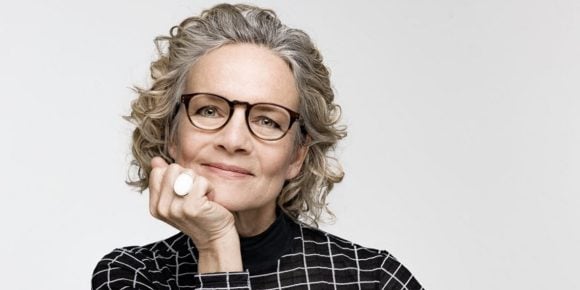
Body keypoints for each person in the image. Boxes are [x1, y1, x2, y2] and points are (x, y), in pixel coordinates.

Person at [92, 3, 424, 290]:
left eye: (268, 121)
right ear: (171, 134)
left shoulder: (373, 279)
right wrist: (216, 244)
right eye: (209, 110)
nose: (234, 140)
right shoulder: (133, 275)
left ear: (297, 155)